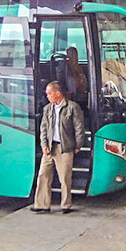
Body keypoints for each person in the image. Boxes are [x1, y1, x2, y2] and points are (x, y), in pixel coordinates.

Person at [33, 81, 85, 213]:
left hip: (65, 148)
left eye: (49, 93)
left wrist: (78, 145)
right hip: (50, 147)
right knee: (43, 175)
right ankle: (42, 205)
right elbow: (43, 128)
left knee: (65, 178)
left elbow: (79, 128)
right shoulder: (47, 109)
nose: (47, 96)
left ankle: (65, 205)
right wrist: (44, 145)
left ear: (58, 93)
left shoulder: (72, 107)